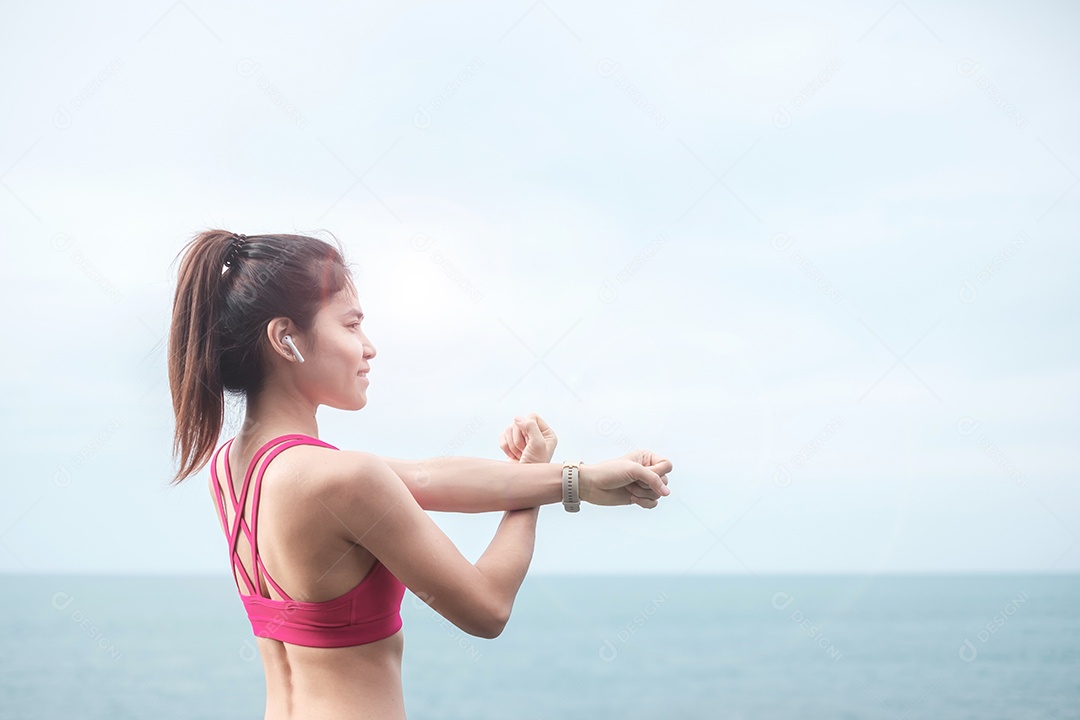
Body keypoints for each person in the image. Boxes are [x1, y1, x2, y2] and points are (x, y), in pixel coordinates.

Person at [167, 229, 673, 719]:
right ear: (286, 339)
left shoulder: (233, 468)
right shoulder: (343, 479)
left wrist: (579, 479)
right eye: (350, 325)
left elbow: (429, 478)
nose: (369, 347)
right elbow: (488, 609)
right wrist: (538, 486)